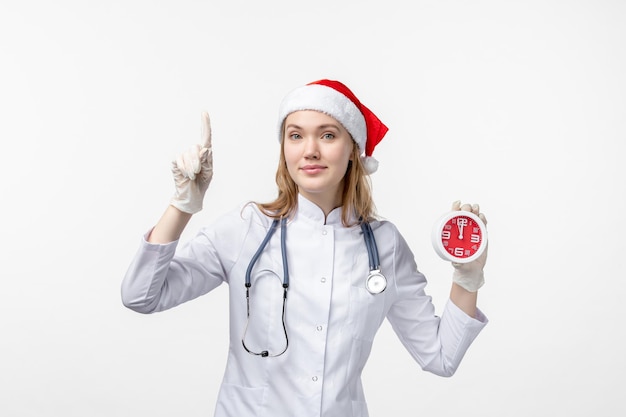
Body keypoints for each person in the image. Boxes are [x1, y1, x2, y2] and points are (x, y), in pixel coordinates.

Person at [121, 79, 489, 417]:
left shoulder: (384, 245)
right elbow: (141, 296)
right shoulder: (248, 227)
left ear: (353, 150)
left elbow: (441, 357)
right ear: (284, 149)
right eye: (296, 136)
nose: (310, 150)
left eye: (327, 135)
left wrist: (468, 276)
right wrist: (183, 205)